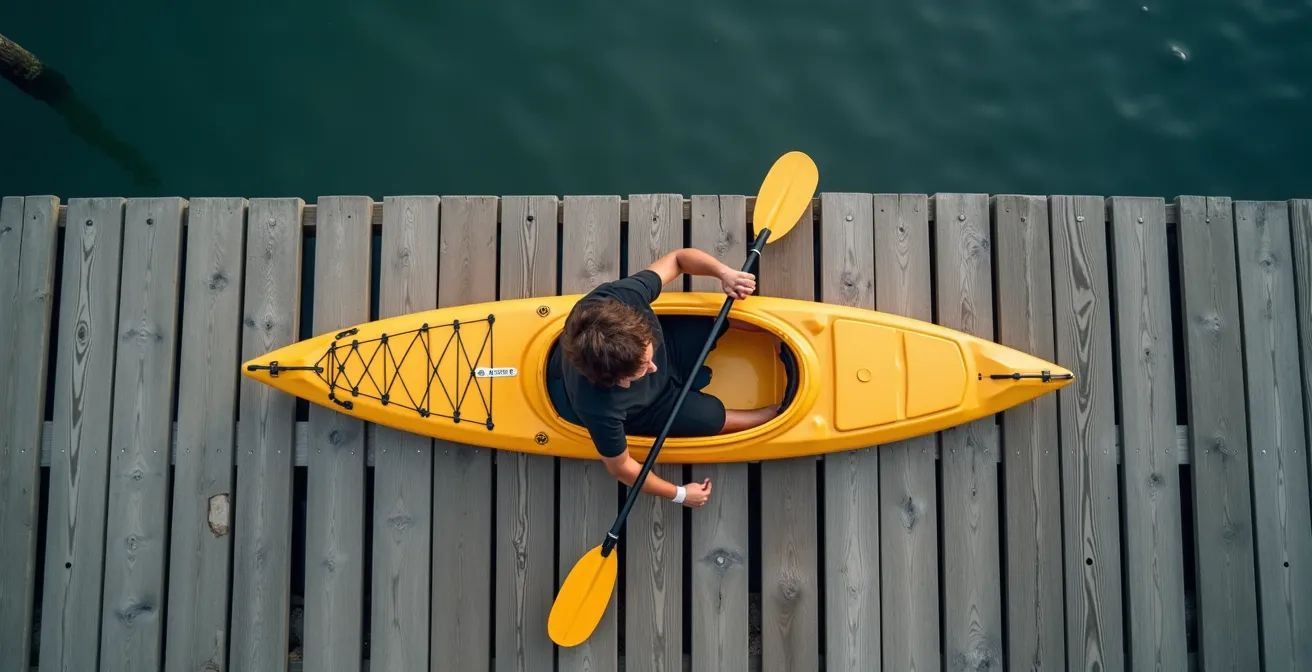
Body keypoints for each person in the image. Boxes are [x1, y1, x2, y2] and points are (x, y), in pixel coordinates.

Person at [549, 247, 781, 509]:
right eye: (642, 370)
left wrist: (724, 273)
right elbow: (621, 468)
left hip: (669, 348)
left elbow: (678, 259)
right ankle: (775, 416)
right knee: (710, 417)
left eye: (648, 356)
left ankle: (776, 336)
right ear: (613, 380)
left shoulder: (621, 299)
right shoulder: (598, 406)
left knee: (709, 324)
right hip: (649, 407)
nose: (653, 368)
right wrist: (679, 493)